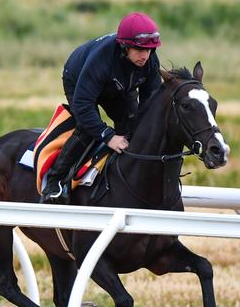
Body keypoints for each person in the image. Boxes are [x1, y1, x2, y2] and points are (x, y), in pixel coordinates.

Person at [40, 11, 162, 204]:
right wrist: (108, 136)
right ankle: (54, 182)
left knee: (133, 127)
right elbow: (82, 104)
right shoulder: (102, 58)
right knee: (88, 129)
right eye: (139, 50)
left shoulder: (150, 62)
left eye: (149, 50)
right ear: (125, 47)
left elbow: (149, 106)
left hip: (117, 86)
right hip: (79, 79)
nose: (145, 55)